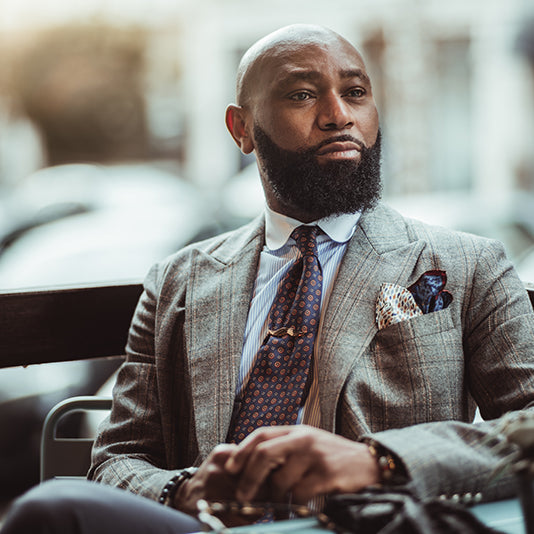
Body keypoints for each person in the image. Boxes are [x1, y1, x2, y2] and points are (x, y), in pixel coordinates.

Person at [2, 22, 534, 534]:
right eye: (302, 95)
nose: (337, 115)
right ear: (241, 129)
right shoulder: (178, 282)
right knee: (55, 507)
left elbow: (528, 429)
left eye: (355, 92)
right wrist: (185, 492)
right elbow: (118, 459)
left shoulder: (469, 264)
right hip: (208, 529)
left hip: (375, 523)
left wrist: (380, 462)